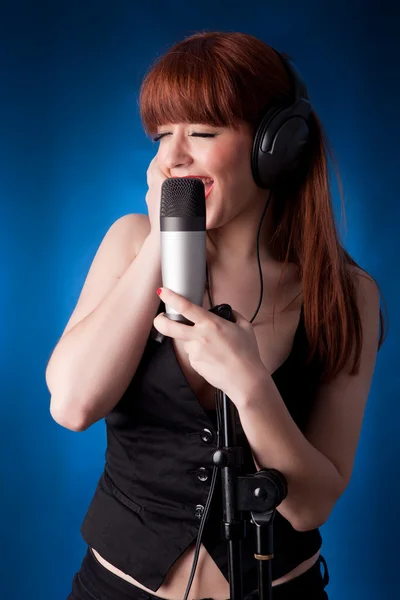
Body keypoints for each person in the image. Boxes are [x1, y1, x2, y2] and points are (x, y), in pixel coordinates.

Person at [46, 31, 387, 600]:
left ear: (278, 147)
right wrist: (164, 235)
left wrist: (251, 386)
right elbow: (74, 405)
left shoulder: (347, 294)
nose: (171, 157)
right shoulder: (131, 242)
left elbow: (310, 505)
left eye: (202, 133)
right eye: (161, 136)